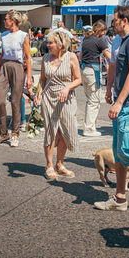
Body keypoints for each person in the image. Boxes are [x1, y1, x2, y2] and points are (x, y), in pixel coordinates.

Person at [95, 5, 129, 211]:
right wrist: (112, 92)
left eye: (114, 20)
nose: (112, 24)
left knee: (127, 151)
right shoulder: (127, 40)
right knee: (119, 154)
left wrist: (119, 102)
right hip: (125, 101)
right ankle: (120, 199)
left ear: (125, 21)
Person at [39, 29, 82, 180]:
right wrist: (38, 95)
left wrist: (67, 87)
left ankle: (60, 163)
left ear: (60, 44)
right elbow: (43, 79)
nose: (48, 45)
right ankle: (49, 165)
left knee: (65, 131)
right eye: (48, 42)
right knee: (51, 130)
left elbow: (78, 79)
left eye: (51, 43)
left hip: (66, 98)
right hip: (49, 97)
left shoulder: (71, 57)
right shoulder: (45, 58)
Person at [0, 10, 32, 147]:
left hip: (18, 67)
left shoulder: (23, 36)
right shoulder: (3, 35)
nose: (4, 21)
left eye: (6, 19)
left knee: (15, 101)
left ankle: (15, 134)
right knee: (0, 101)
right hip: (4, 66)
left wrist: (29, 77)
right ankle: (3, 133)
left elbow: (28, 57)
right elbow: (2, 55)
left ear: (12, 20)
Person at [79, 20, 110, 137]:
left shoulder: (86, 40)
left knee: (89, 99)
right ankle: (89, 128)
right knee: (94, 101)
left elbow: (80, 56)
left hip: (84, 70)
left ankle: (90, 126)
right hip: (93, 71)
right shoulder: (99, 41)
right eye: (103, 31)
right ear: (100, 31)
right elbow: (109, 57)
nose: (104, 34)